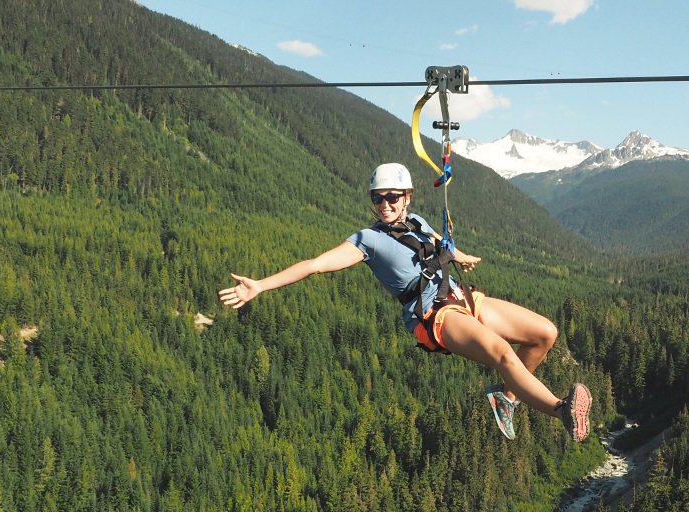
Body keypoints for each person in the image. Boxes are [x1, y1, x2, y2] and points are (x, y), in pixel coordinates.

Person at [218, 163, 591, 442]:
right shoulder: (367, 240)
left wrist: (458, 257)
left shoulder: (415, 220)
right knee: (502, 355)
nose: (384, 204)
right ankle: (560, 410)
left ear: (407, 198)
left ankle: (506, 399)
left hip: (461, 297)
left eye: (391, 197)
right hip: (434, 315)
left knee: (544, 333)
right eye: (377, 198)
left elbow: (435, 243)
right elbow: (315, 265)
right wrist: (261, 286)